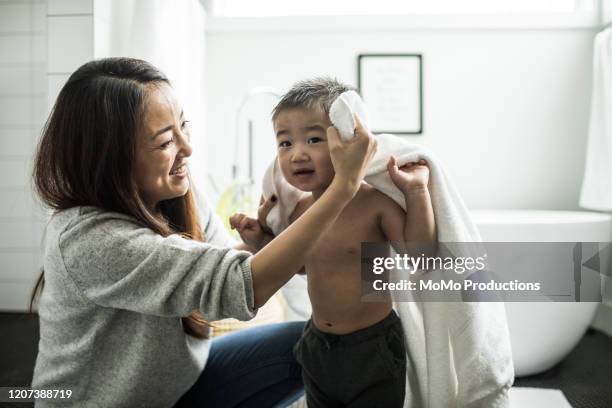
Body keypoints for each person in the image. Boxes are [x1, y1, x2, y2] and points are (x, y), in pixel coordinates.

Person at [29, 59, 377, 408]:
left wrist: (258, 245)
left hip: (182, 382)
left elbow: (219, 264)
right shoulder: (91, 241)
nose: (187, 149)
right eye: (165, 142)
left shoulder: (177, 193)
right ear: (111, 158)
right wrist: (343, 187)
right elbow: (241, 284)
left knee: (310, 343)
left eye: (184, 126)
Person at [230, 78, 437, 407]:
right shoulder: (301, 211)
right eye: (285, 143)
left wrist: (416, 191)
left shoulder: (373, 205)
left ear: (349, 143)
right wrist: (261, 240)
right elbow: (300, 267)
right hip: (318, 344)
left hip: (372, 347)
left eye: (313, 139)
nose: (297, 154)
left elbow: (422, 259)